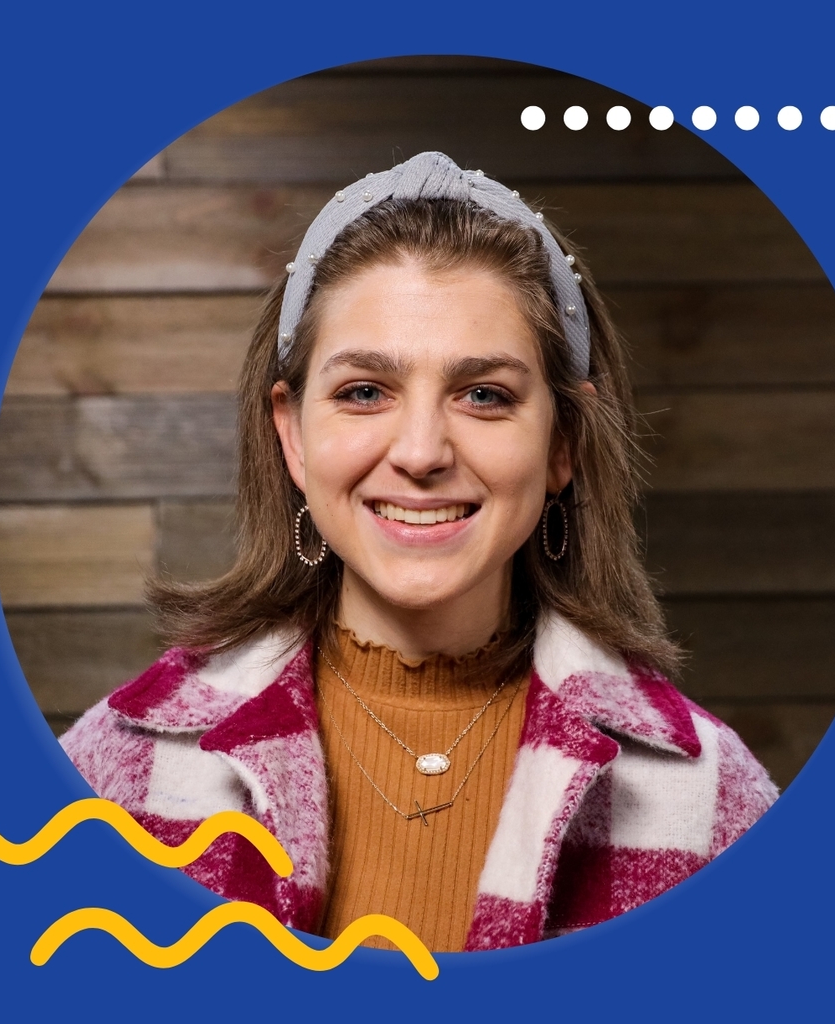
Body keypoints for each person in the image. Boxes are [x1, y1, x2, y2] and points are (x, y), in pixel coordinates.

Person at [61, 151, 777, 953]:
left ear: (563, 443)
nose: (422, 451)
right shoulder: (109, 770)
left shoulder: (711, 798)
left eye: (485, 395)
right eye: (365, 391)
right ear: (293, 434)